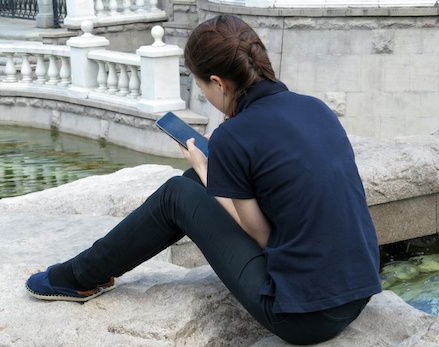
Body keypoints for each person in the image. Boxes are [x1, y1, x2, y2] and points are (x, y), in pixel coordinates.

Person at [26, 15, 382, 345]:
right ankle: (93, 271)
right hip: (358, 293)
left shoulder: (234, 135)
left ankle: (79, 276)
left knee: (176, 194)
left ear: (218, 82)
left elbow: (262, 235)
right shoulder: (314, 107)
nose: (205, 98)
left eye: (201, 88)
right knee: (192, 181)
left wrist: (209, 171)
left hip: (305, 318)